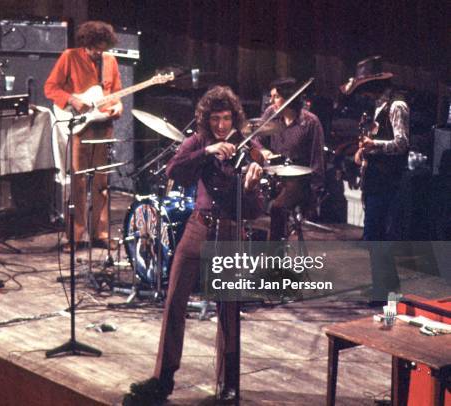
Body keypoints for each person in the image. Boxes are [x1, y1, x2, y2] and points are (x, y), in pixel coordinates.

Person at [124, 86, 263, 405]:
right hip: (199, 226)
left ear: (235, 118)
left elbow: (255, 209)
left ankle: (229, 384)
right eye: (216, 119)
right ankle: (163, 379)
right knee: (174, 299)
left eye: (227, 119)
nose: (222, 126)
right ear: (206, 119)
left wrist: (253, 183)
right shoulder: (200, 140)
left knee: (229, 308)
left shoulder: (250, 145)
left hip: (230, 232)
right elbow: (174, 170)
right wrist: (208, 152)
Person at [44, 20, 122, 251]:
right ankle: (75, 236)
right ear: (86, 43)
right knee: (77, 182)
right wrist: (72, 99)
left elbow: (115, 92)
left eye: (102, 48)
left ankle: (102, 233)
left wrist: (118, 106)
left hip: (104, 126)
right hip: (80, 127)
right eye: (94, 48)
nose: (98, 52)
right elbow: (50, 88)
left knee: (102, 183)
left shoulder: (111, 61)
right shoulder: (69, 57)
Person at [341, 55, 409, 304]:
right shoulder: (377, 107)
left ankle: (388, 291)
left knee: (376, 235)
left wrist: (375, 145)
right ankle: (384, 288)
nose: (364, 94)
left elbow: (402, 144)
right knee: (374, 236)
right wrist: (363, 150)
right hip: (375, 179)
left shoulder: (396, 106)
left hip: (388, 181)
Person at [252, 78, 325, 242]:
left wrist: (315, 194)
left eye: (276, 96)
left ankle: (274, 260)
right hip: (274, 175)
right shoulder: (271, 113)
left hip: (300, 181)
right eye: (271, 96)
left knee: (277, 208)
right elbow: (254, 138)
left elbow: (317, 160)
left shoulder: (310, 122)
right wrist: (263, 151)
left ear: (289, 97)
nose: (271, 101)